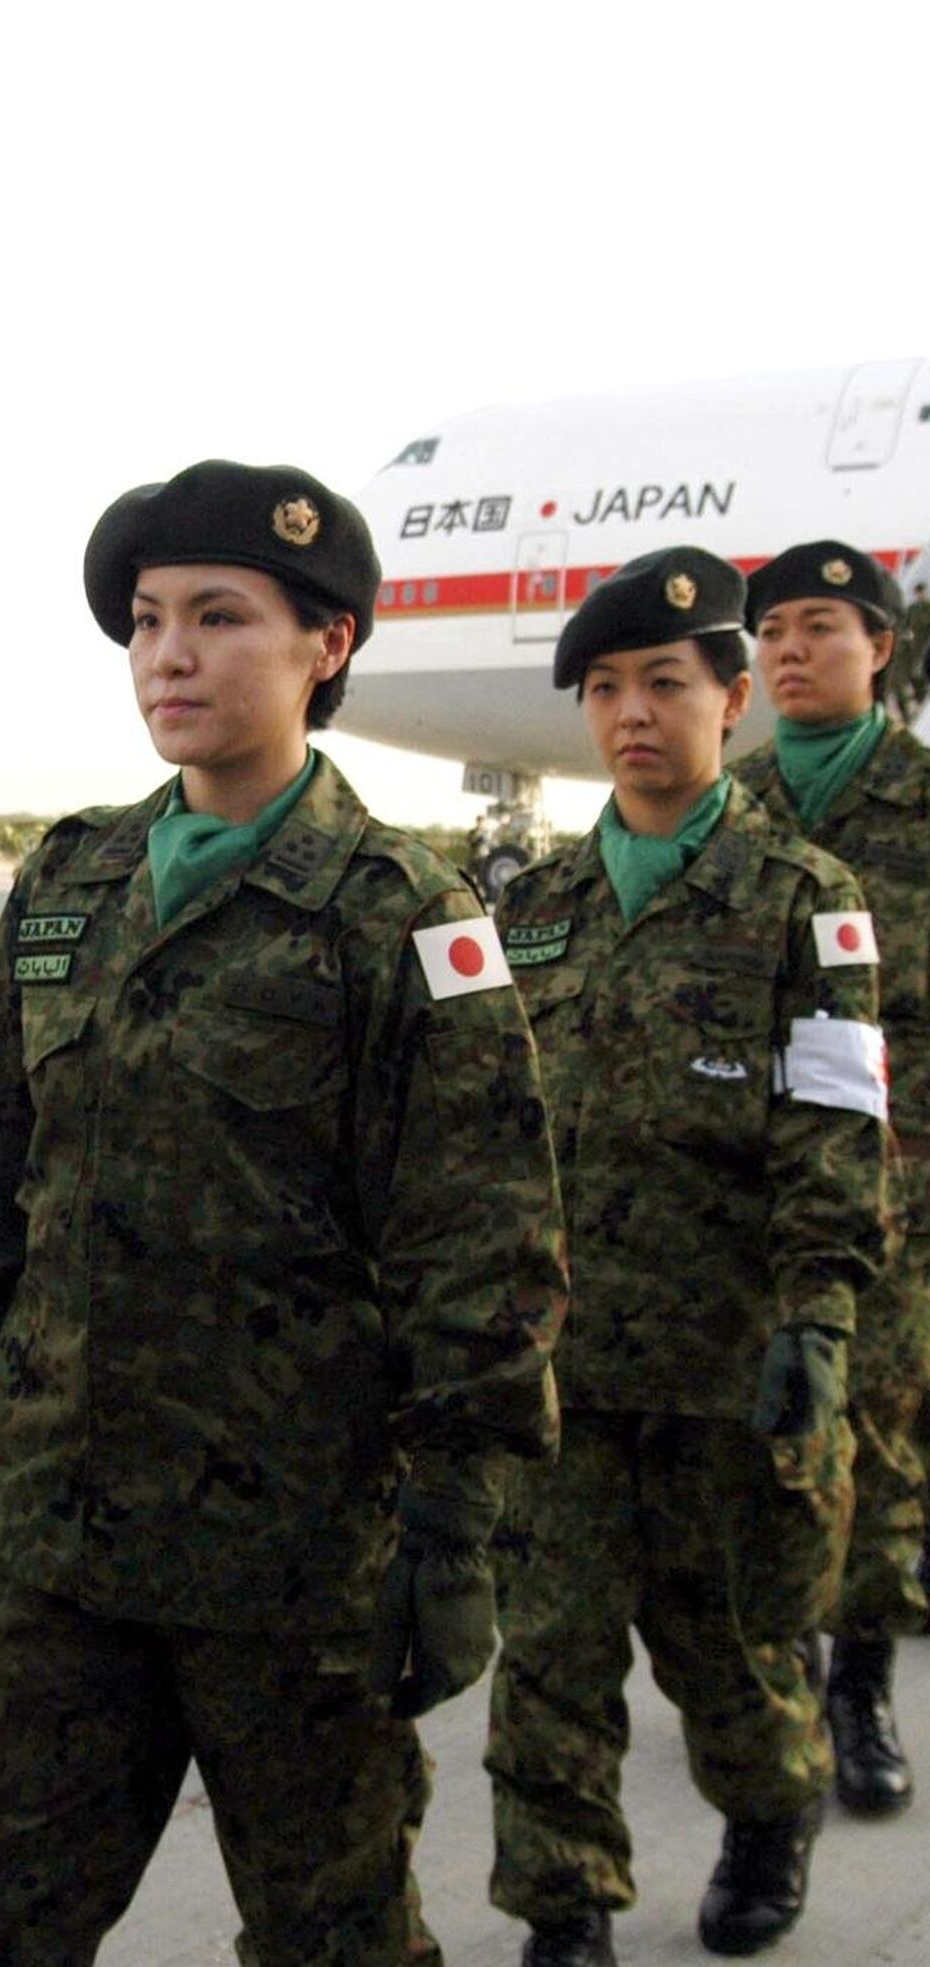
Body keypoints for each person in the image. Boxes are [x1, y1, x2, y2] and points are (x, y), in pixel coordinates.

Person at [0, 459, 568, 1966]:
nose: (169, 655)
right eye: (145, 620)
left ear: (328, 646)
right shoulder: (69, 877)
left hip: (296, 1560)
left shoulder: (409, 914)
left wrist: (457, 1524)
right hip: (49, 1540)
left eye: (219, 616)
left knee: (337, 1938)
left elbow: (484, 1241)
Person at [483, 549, 891, 1966]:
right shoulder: (531, 905)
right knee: (548, 1653)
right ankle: (563, 1898)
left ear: (730, 700)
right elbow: (479, 1136)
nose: (632, 712)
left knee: (733, 1646)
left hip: (730, 1355)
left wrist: (818, 1314)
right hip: (562, 1365)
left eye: (665, 680)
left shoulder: (805, 897)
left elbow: (837, 1121)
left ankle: (770, 1814)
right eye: (603, 687)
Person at [735, 539, 927, 1817]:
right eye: (774, 631)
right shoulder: (726, 799)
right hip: (735, 1192)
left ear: (882, 648)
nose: (792, 648)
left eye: (820, 625)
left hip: (893, 1194)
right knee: (760, 1447)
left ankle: (861, 1685)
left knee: (878, 1445)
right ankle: (780, 1681)